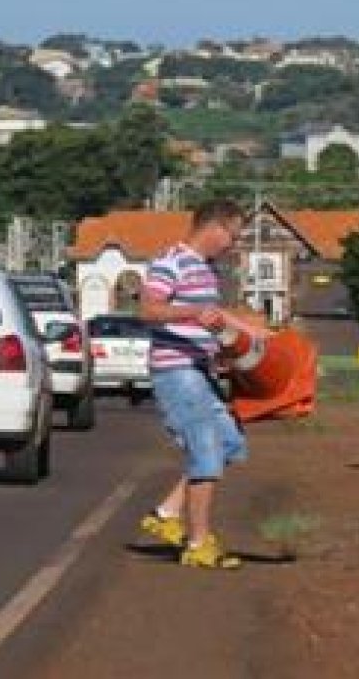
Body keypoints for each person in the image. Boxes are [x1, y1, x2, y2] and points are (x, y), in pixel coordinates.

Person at [138, 199, 248, 570]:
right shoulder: (171, 262)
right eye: (232, 235)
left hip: (200, 371)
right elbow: (149, 310)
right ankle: (198, 542)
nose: (232, 244)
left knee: (229, 444)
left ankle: (168, 513)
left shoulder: (206, 270)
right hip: (177, 371)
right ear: (215, 228)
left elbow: (217, 317)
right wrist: (192, 313)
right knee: (205, 449)